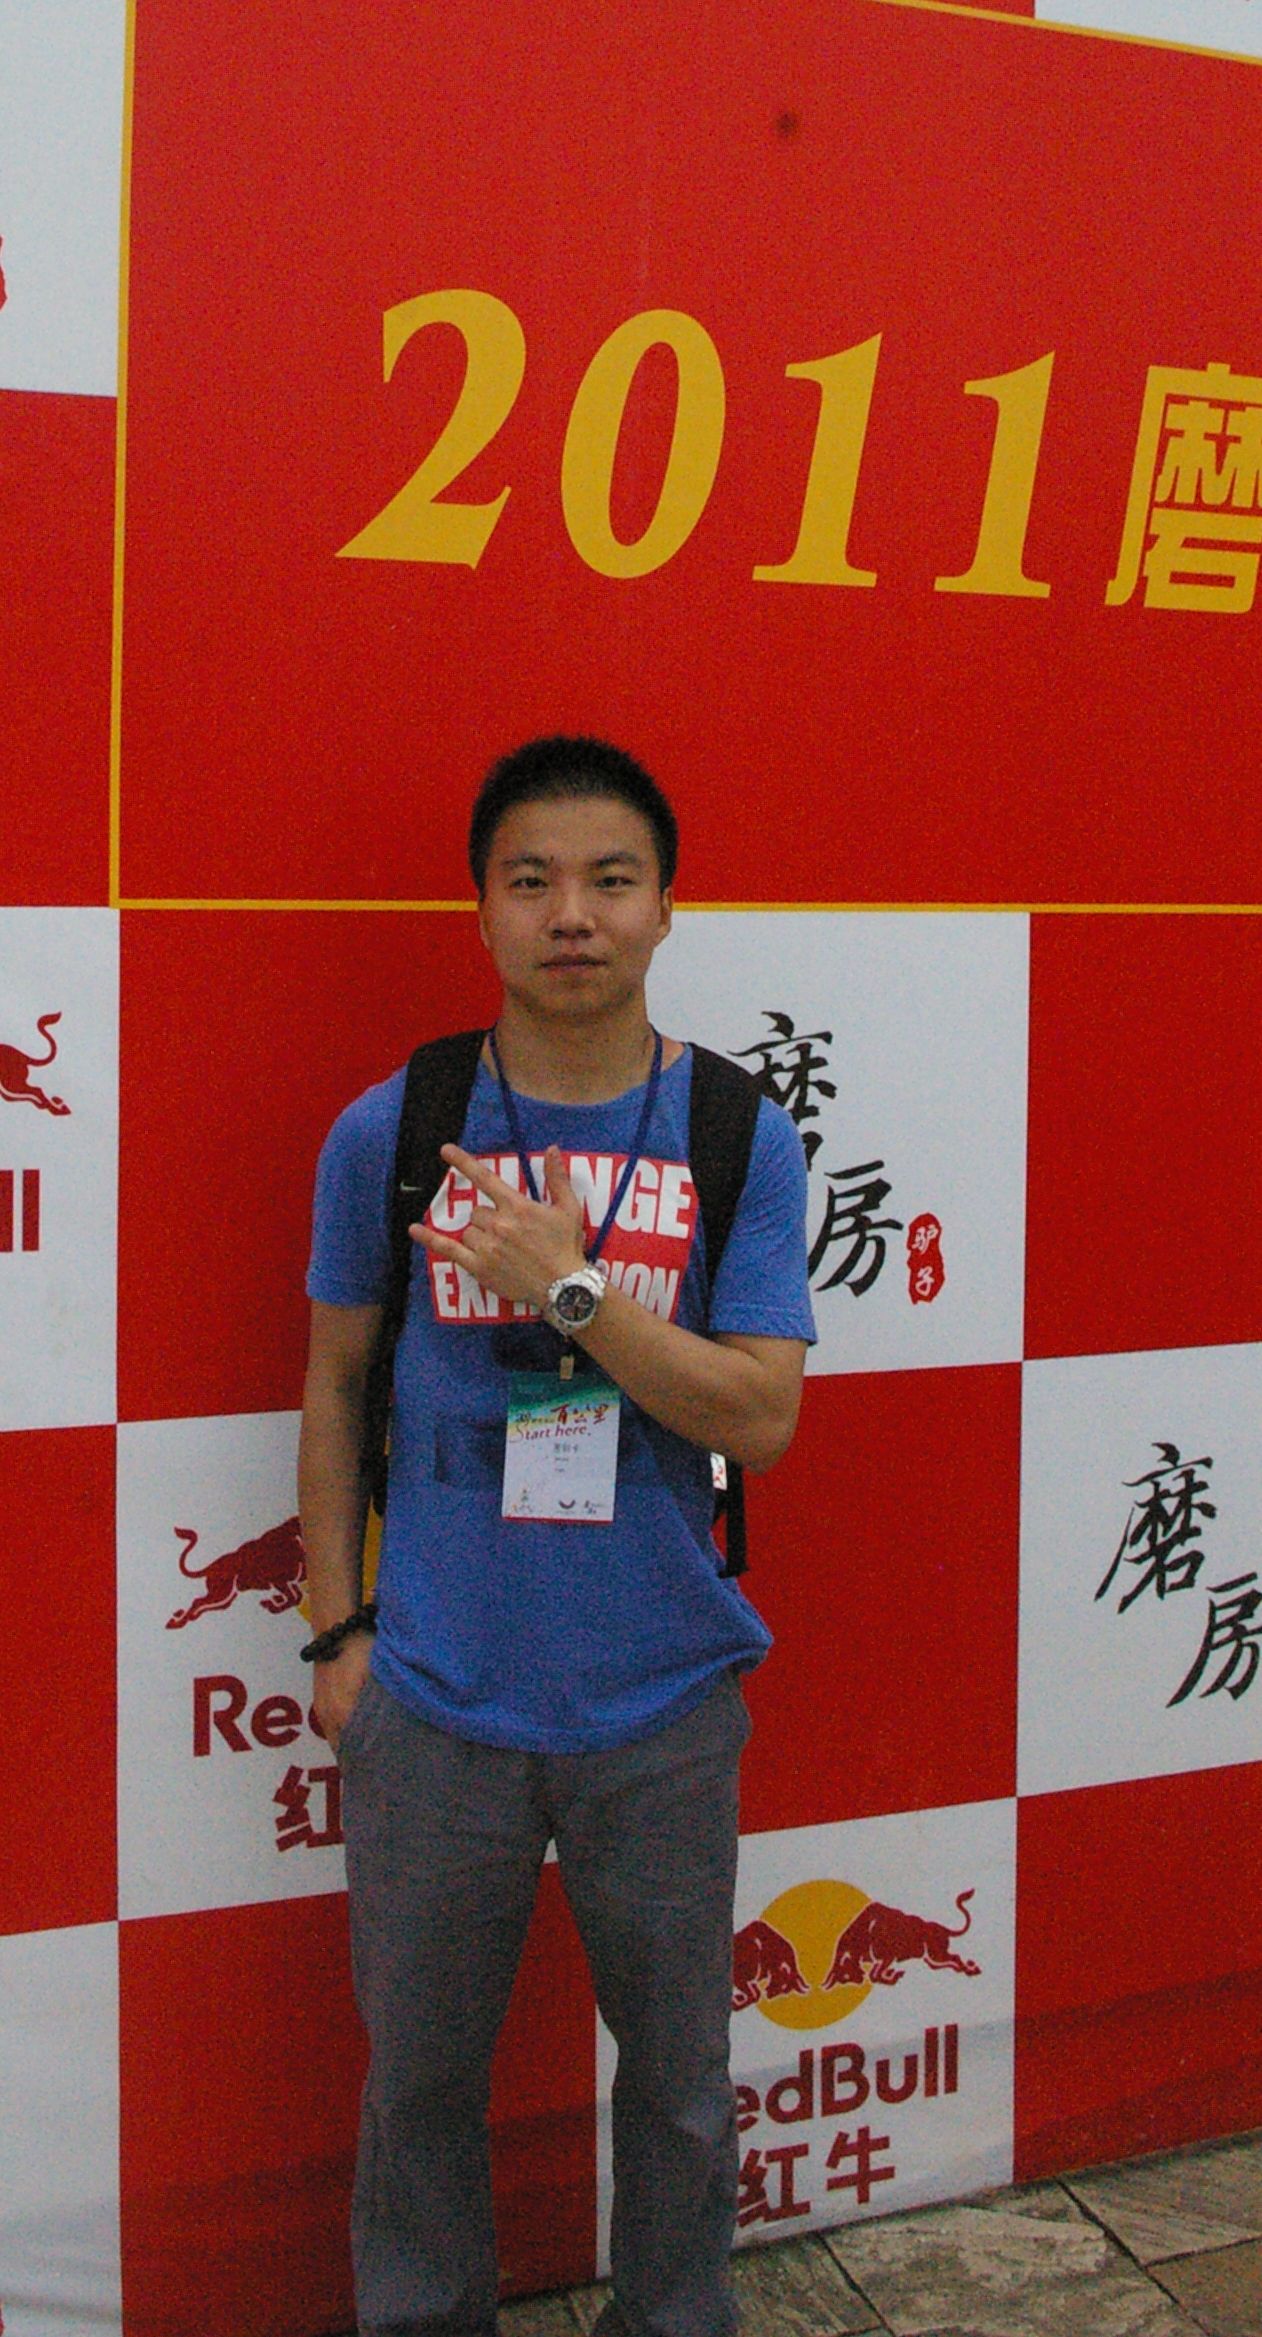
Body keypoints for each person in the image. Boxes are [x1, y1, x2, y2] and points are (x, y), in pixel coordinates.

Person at [300, 733, 816, 2337]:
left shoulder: (736, 1133)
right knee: (418, 2093)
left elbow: (760, 1416)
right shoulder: (396, 1128)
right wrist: (338, 1636)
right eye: (532, 882)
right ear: (483, 910)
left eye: (610, 880)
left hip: (662, 1697)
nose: (572, 916)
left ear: (667, 907)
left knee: (681, 2088)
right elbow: (332, 1386)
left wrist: (570, 1291)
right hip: (433, 1697)